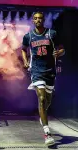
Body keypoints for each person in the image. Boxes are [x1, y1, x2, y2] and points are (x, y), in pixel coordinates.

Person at [21, 12, 65, 146]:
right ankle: (47, 133)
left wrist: (60, 52)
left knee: (48, 100)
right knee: (41, 98)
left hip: (50, 71)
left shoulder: (52, 34)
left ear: (43, 20)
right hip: (36, 71)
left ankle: (42, 115)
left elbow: (62, 48)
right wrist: (25, 60)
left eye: (40, 18)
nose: (38, 20)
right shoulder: (28, 36)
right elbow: (23, 49)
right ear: (33, 20)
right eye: (35, 18)